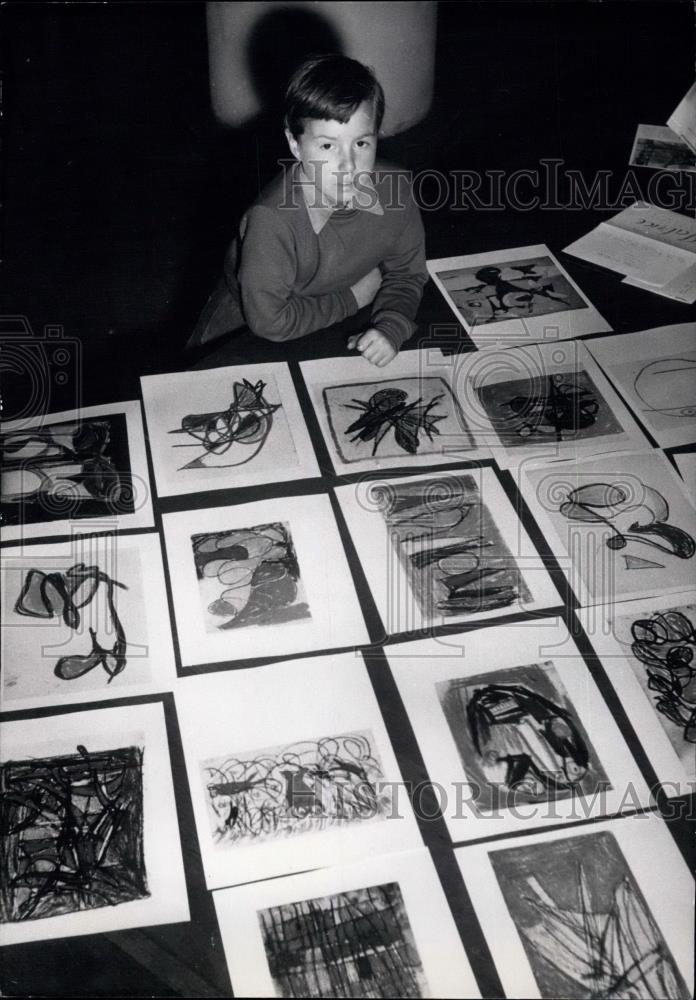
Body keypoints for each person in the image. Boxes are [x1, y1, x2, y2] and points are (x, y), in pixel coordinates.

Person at [186, 54, 427, 367]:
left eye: (361, 144)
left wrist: (392, 325)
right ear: (295, 144)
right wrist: (352, 297)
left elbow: (409, 273)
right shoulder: (271, 220)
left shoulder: (397, 189)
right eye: (327, 146)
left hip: (335, 306)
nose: (348, 166)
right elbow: (270, 321)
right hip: (249, 315)